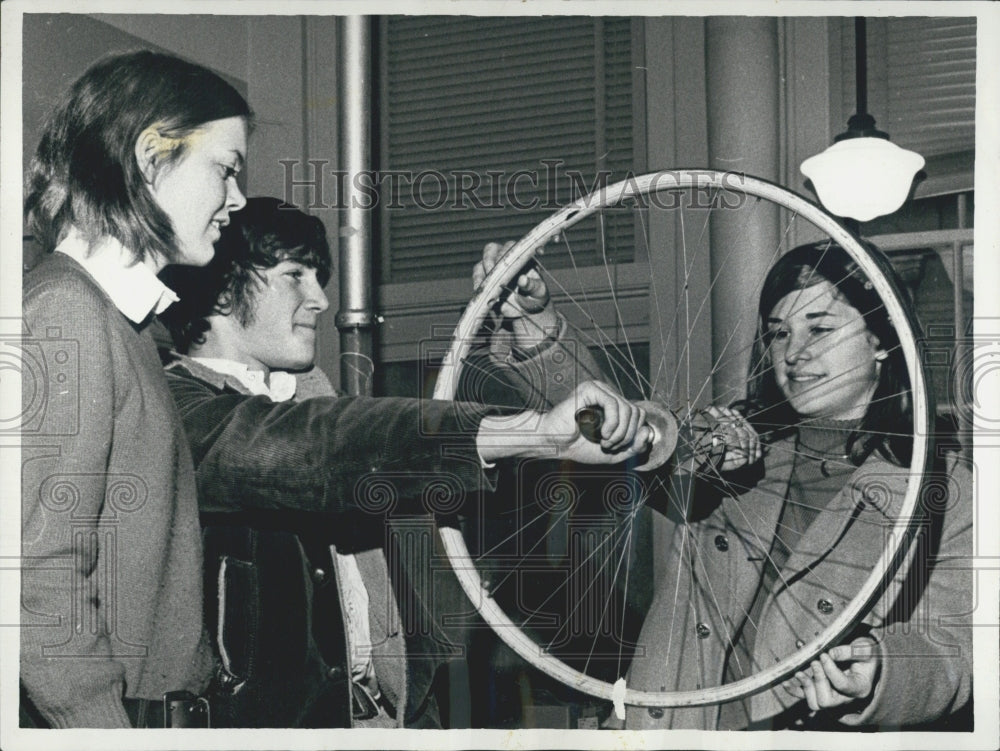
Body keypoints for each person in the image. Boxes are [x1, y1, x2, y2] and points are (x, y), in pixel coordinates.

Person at [156, 197, 656, 728]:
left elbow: (390, 442)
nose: (321, 299)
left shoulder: (318, 406)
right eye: (294, 275)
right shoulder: (174, 412)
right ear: (225, 288)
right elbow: (319, 447)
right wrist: (535, 433)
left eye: (318, 276)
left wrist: (532, 329)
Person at [469, 240, 973, 730]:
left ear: (882, 341)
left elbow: (954, 645)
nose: (794, 353)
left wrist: (882, 671)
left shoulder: (944, 488)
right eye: (778, 333)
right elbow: (621, 429)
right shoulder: (736, 450)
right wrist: (534, 324)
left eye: (819, 328)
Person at [20, 50, 251, 728]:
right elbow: (38, 574)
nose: (237, 199)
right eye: (226, 168)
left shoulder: (123, 323)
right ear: (152, 157)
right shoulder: (65, 310)